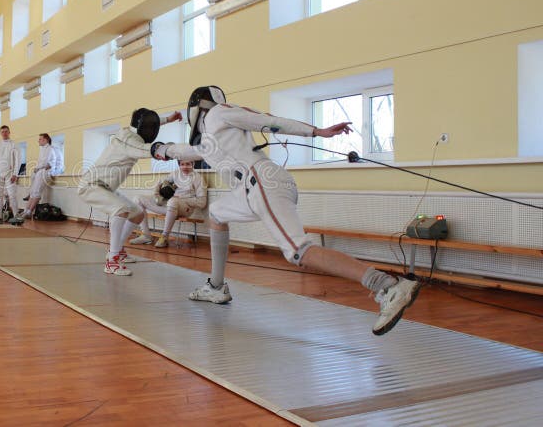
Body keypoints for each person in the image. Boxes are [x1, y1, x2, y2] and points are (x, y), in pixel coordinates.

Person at [152, 86, 421, 336]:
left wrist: (317, 131)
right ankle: (216, 287)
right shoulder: (212, 140)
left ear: (197, 108)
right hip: (252, 188)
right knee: (217, 213)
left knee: (297, 251)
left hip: (263, 182)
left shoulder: (219, 114)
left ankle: (388, 285)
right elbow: (189, 150)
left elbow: (266, 120)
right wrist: (159, 149)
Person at [77, 109, 183, 276]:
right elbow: (145, 149)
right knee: (121, 210)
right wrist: (165, 150)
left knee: (138, 214)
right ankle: (112, 261)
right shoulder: (129, 141)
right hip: (91, 185)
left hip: (104, 187)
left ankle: (117, 249)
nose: (152, 129)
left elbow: (147, 128)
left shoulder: (128, 132)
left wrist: (168, 119)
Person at [129, 159, 207, 248]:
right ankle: (146, 235)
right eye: (182, 164)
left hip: (185, 209)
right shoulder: (175, 174)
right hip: (170, 206)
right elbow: (160, 184)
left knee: (173, 201)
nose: (185, 167)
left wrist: (182, 199)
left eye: (188, 163)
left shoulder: (198, 178)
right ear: (179, 165)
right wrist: (157, 195)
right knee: (137, 199)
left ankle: (164, 237)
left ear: (193, 163)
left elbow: (202, 203)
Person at [18, 133, 64, 220]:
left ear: (45, 140)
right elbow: (42, 163)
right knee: (32, 192)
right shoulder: (43, 149)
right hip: (40, 171)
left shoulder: (50, 149)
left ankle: (29, 212)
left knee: (36, 192)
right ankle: (25, 211)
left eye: (40, 139)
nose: (38, 141)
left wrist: (38, 168)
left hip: (45, 172)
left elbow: (48, 164)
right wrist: (37, 169)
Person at [0, 125, 22, 224]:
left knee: (12, 195)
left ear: (9, 132)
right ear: (0, 133)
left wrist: (15, 174)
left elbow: (18, 160)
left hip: (10, 173)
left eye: (6, 131)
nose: (4, 133)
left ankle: (16, 216)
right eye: (2, 132)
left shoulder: (14, 145)